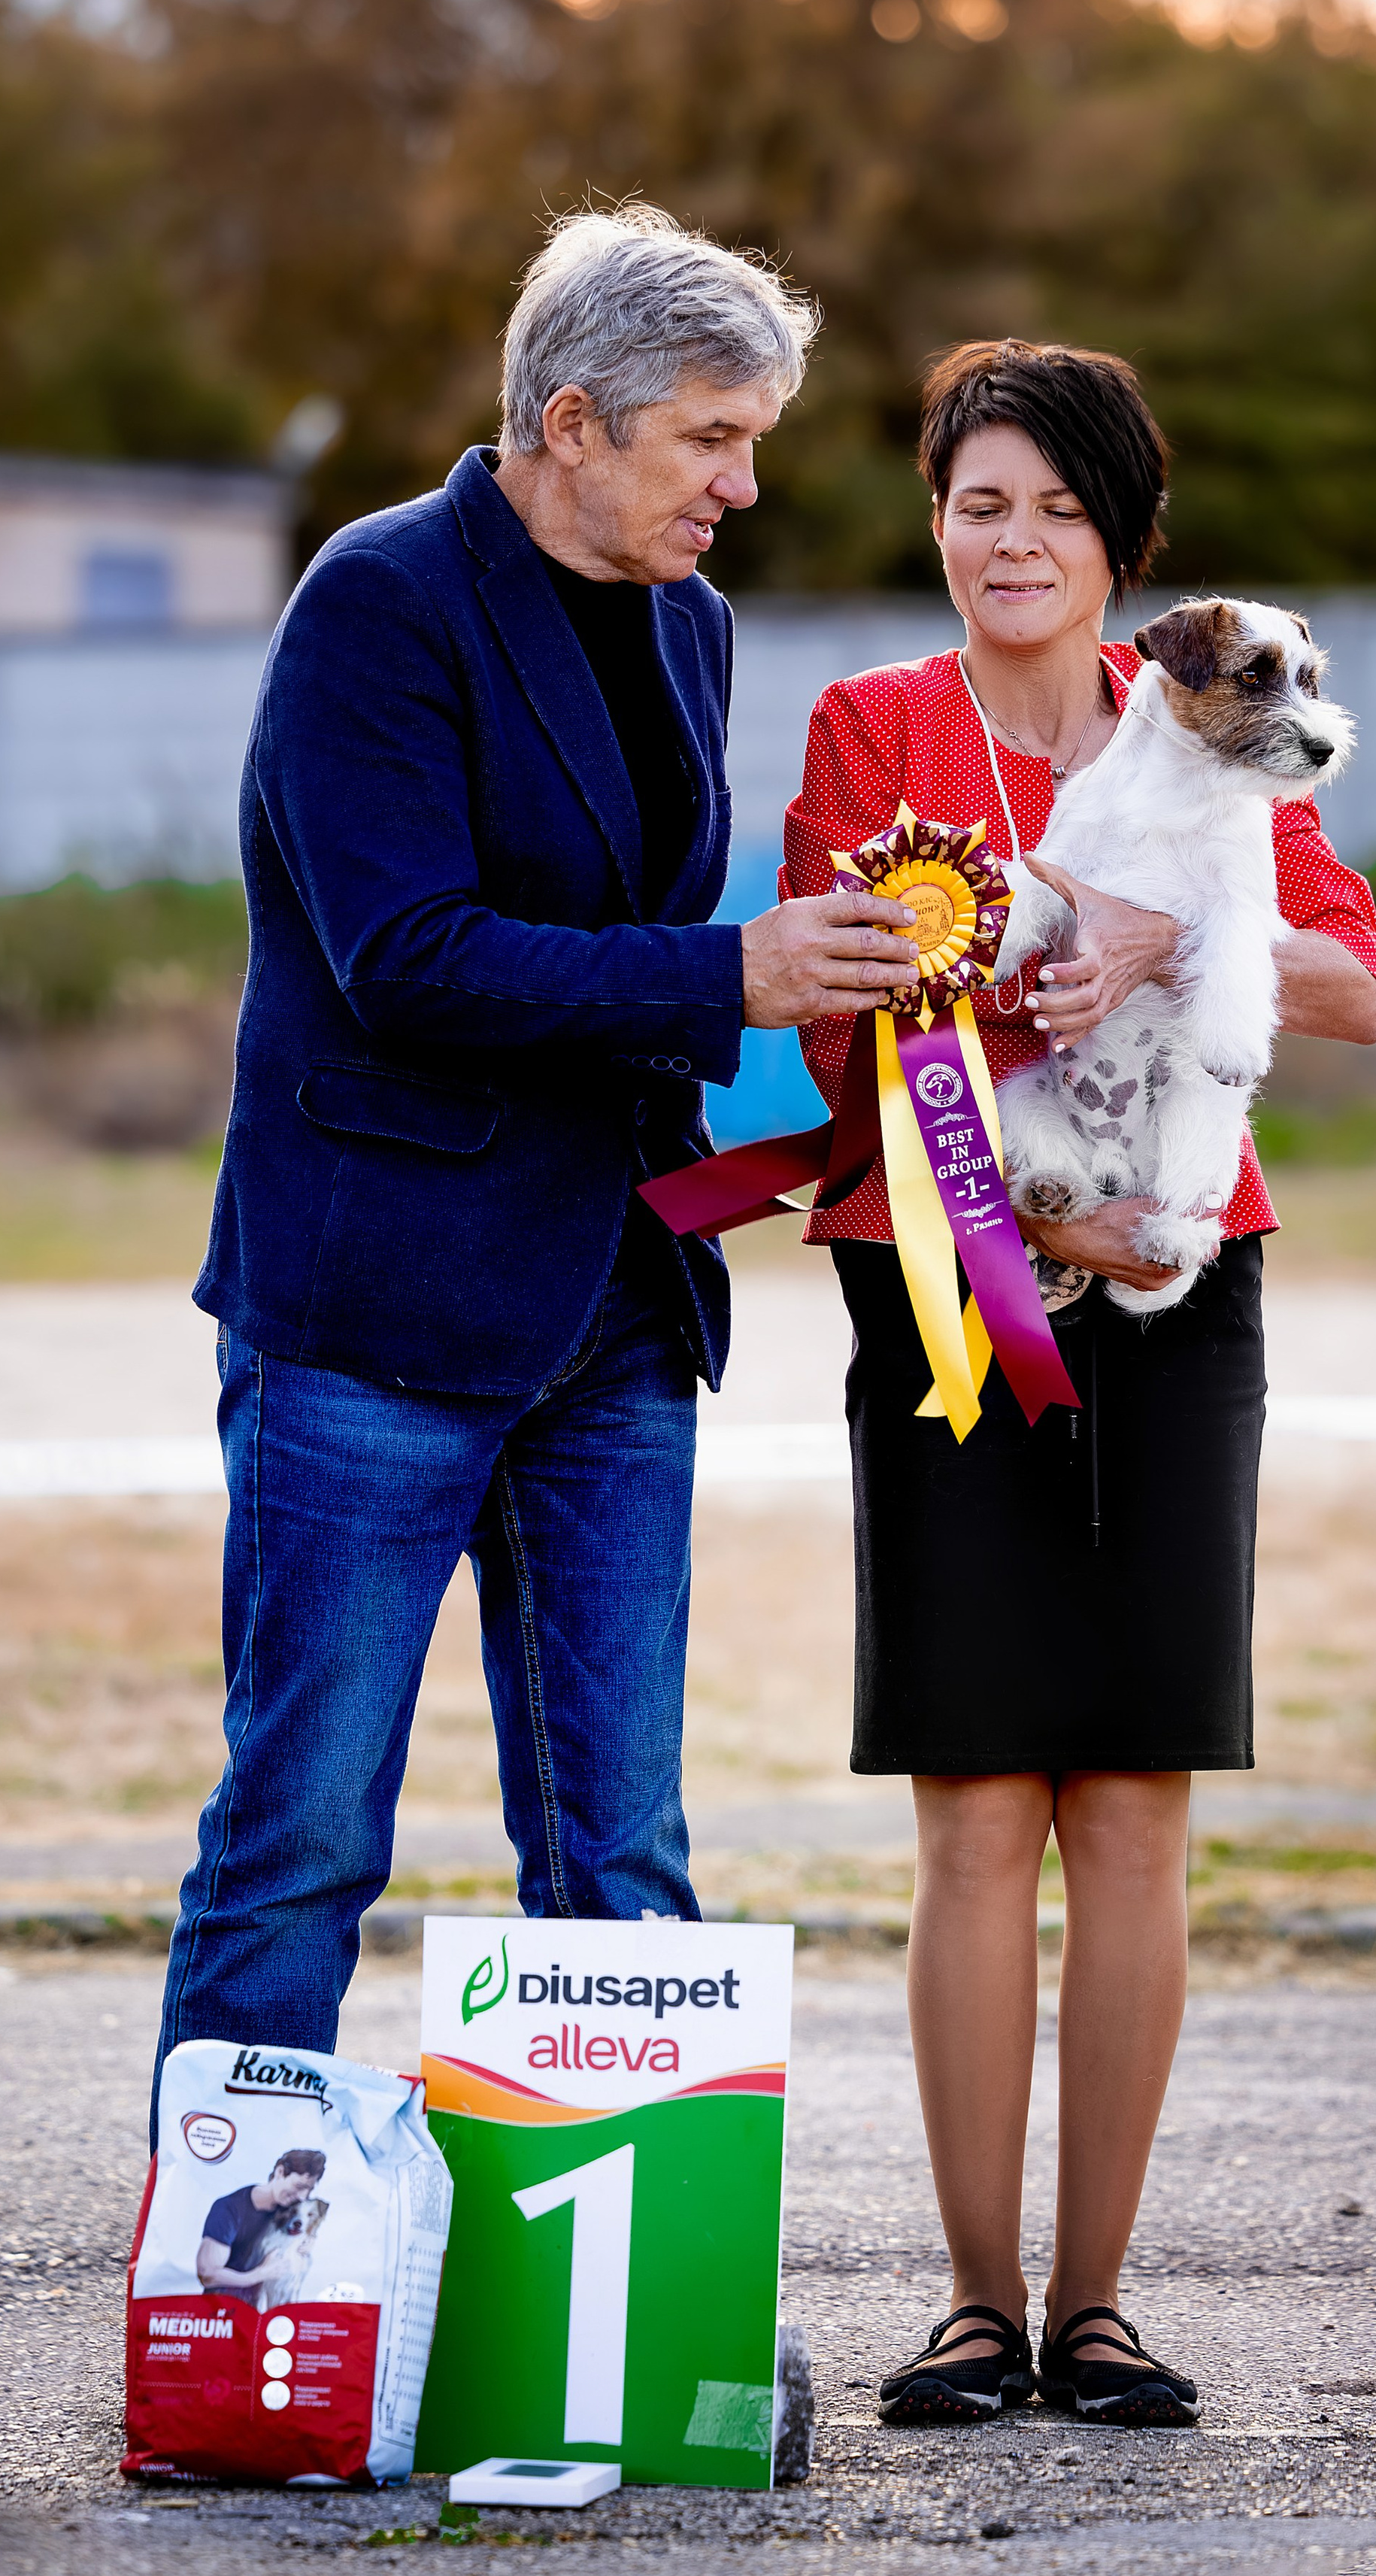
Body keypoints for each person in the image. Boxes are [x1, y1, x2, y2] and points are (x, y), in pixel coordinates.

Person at [152, 205, 922, 2139]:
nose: (744, 487)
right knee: (302, 1834)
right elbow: (398, 953)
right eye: (711, 442)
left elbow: (623, 944)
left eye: (752, 441)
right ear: (570, 422)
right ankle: (223, 2323)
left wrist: (781, 1023)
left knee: (620, 1846)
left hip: (615, 1316)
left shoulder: (691, 619)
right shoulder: (375, 597)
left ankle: (608, 2333)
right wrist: (720, 971)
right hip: (371, 1320)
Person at [782, 339, 1376, 2428]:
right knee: (972, 1807)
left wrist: (1153, 934)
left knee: (1130, 1809)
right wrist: (1023, 1222)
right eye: (975, 502)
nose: (1008, 539)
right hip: (947, 1285)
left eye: (1051, 506)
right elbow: (837, 1016)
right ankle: (969, 2307)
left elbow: (1353, 985)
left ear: (1122, 543)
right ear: (935, 524)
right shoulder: (870, 728)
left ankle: (1097, 2306)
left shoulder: (1222, 714)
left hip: (1176, 1285)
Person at [195, 2149, 326, 2306]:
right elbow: (208, 2274)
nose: (302, 2196)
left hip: (266, 2316)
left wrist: (309, 2238)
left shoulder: (292, 2210)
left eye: (309, 2190)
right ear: (280, 2172)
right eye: (299, 2186)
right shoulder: (229, 2208)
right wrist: (259, 2275)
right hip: (223, 2311)